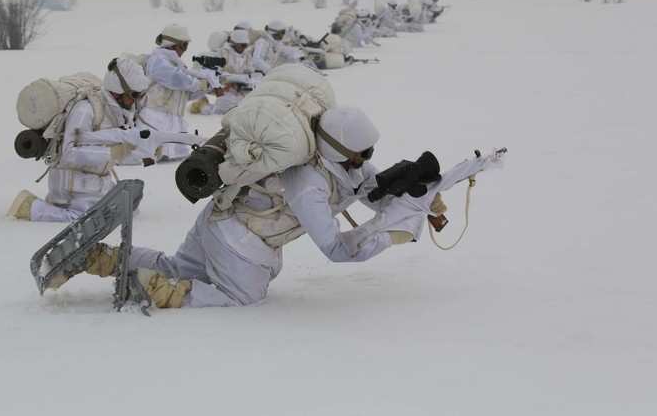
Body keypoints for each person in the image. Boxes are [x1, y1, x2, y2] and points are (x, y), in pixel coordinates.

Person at [64, 107, 505, 309]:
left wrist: (428, 186)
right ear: (334, 149)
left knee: (180, 265)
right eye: (357, 153)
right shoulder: (307, 181)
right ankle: (149, 289)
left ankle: (102, 259)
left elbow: (368, 186)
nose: (363, 159)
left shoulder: (328, 160)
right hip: (243, 244)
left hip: (219, 219)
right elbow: (335, 249)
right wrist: (387, 232)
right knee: (240, 299)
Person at [8, 59, 151, 222]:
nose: (137, 100)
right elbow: (68, 153)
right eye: (134, 95)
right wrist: (112, 152)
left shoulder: (118, 114)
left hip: (96, 184)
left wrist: (144, 152)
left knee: (126, 212)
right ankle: (29, 207)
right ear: (118, 91)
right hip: (71, 186)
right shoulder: (86, 110)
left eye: (140, 95)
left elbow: (118, 152)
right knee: (89, 221)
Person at [137, 24, 218, 161]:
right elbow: (176, 79)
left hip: (173, 122)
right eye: (183, 46)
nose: (185, 50)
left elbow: (185, 94)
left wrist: (207, 88)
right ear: (172, 44)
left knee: (174, 164)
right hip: (155, 120)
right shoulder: (158, 60)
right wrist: (200, 82)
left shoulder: (175, 63)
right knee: (153, 163)